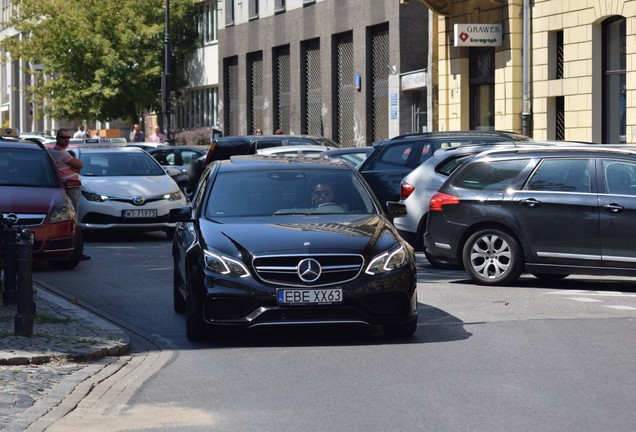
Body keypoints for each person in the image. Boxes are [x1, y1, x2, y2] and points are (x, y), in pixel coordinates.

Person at [49, 128, 91, 260]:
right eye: (63, 137)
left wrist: (74, 166)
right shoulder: (60, 153)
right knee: (73, 220)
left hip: (69, 187)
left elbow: (76, 166)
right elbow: (79, 164)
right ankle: (74, 250)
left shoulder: (54, 152)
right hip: (71, 187)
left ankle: (72, 249)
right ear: (57, 138)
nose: (66, 140)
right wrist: (74, 166)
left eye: (68, 138)